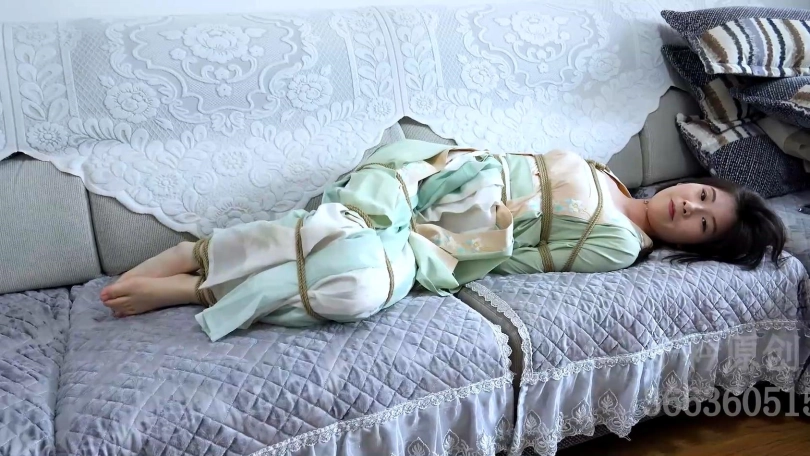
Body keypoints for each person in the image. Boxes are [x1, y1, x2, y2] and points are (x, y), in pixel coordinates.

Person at [98, 139, 788, 341]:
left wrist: (456, 242)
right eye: (701, 195)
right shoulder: (608, 172)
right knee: (357, 211)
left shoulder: (621, 245)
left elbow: (520, 259)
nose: (687, 205)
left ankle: (198, 285)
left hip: (440, 236)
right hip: (438, 178)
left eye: (701, 222)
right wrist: (446, 170)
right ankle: (199, 254)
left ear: (694, 244)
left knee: (357, 280)